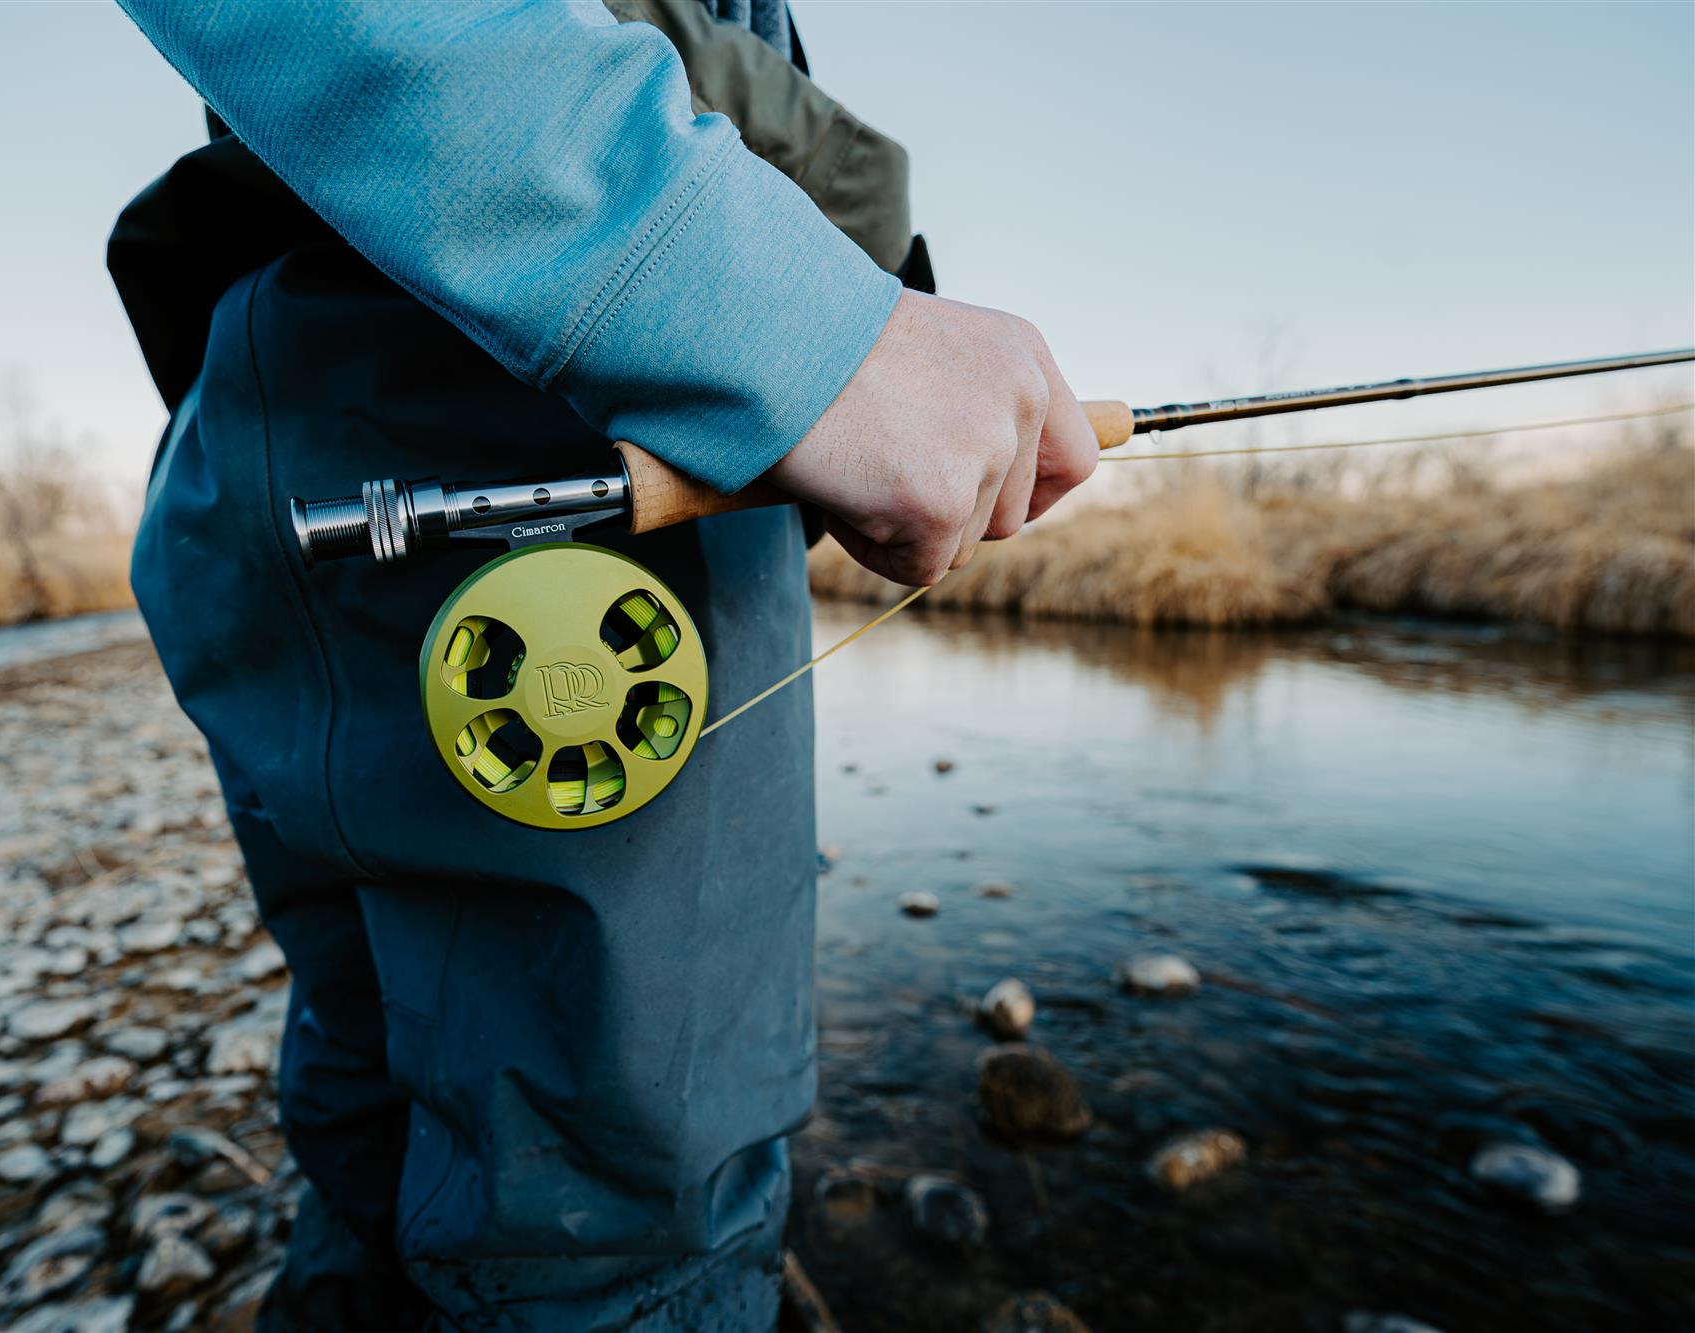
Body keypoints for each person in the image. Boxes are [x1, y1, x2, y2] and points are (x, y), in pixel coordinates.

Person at [107, 3, 1097, 1329]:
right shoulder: (699, 304)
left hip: (270, 413)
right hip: (553, 410)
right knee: (616, 1231)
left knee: (379, 1104)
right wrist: (793, 322)